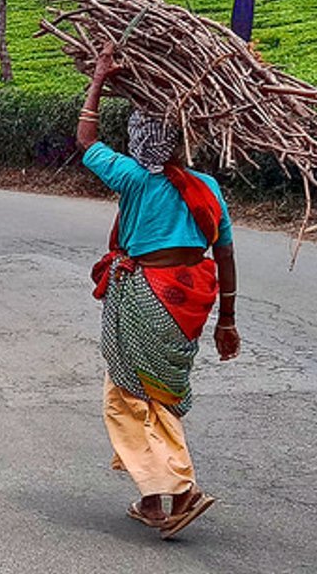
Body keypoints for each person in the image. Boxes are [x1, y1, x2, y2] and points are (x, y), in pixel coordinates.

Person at [75, 44, 240, 540]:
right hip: (191, 301)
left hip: (145, 295)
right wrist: (227, 321)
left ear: (140, 141)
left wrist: (100, 77)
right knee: (157, 393)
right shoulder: (206, 186)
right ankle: (150, 498)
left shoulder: (135, 181)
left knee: (127, 397)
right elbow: (226, 256)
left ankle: (182, 489)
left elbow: (85, 140)